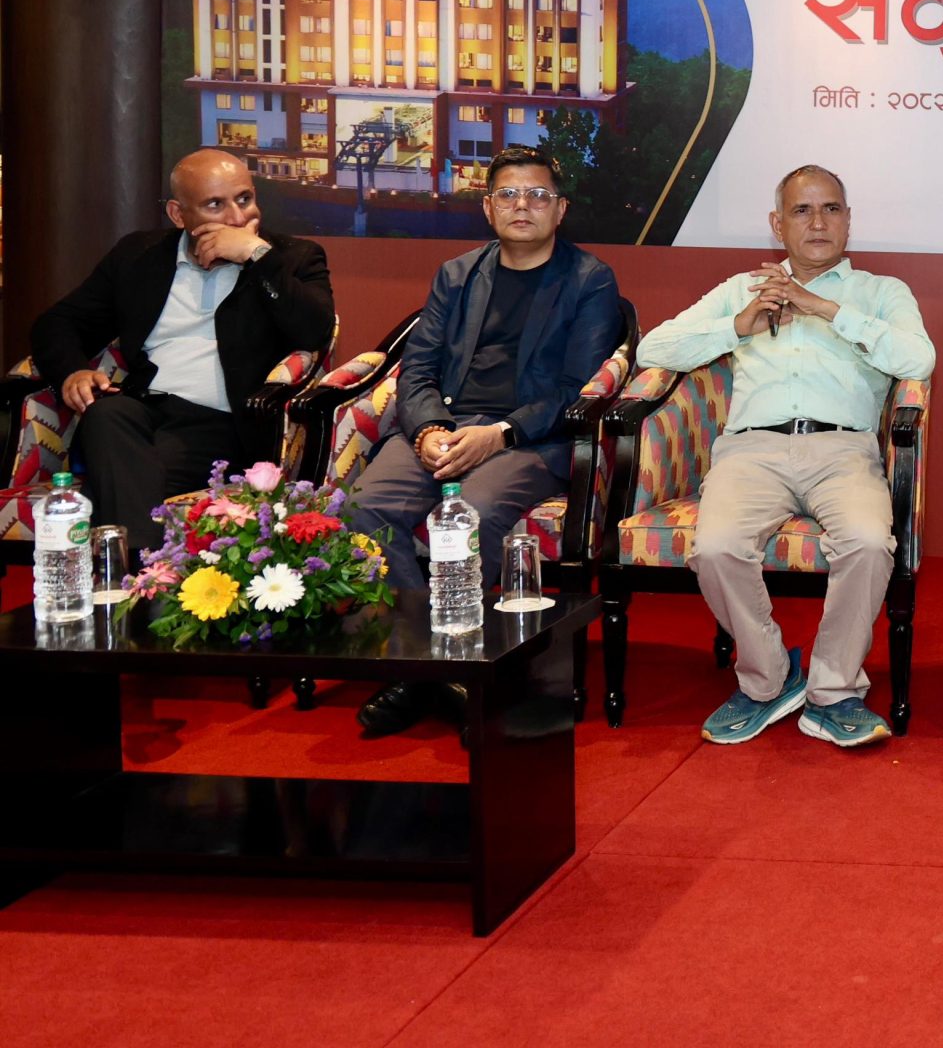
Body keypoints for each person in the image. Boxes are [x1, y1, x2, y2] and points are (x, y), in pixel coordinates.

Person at [634, 164, 935, 750]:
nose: (818, 222)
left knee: (869, 543)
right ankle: (768, 678)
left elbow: (918, 360)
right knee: (716, 547)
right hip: (752, 450)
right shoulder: (743, 289)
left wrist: (822, 307)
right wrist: (738, 326)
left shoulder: (881, 292)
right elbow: (654, 347)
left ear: (848, 220)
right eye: (802, 211)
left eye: (831, 209)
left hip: (843, 450)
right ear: (778, 225)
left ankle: (834, 691)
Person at [348, 145, 623, 737]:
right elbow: (417, 370)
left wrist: (500, 433)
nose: (523, 205)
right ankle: (432, 667)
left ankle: (432, 671)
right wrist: (427, 429)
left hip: (527, 439)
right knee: (364, 507)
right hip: (443, 427)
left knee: (469, 516)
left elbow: (575, 389)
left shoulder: (589, 280)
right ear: (488, 207)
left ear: (561, 209)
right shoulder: (457, 274)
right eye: (508, 194)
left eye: (538, 195)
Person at [31, 148, 334, 536]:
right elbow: (58, 322)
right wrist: (73, 371)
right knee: (106, 415)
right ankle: (142, 565)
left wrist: (256, 255)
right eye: (215, 205)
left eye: (244, 199)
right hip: (141, 412)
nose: (237, 218)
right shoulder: (139, 256)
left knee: (121, 480)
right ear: (178, 214)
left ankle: (132, 567)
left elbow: (315, 332)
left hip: (223, 424)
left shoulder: (293, 258)